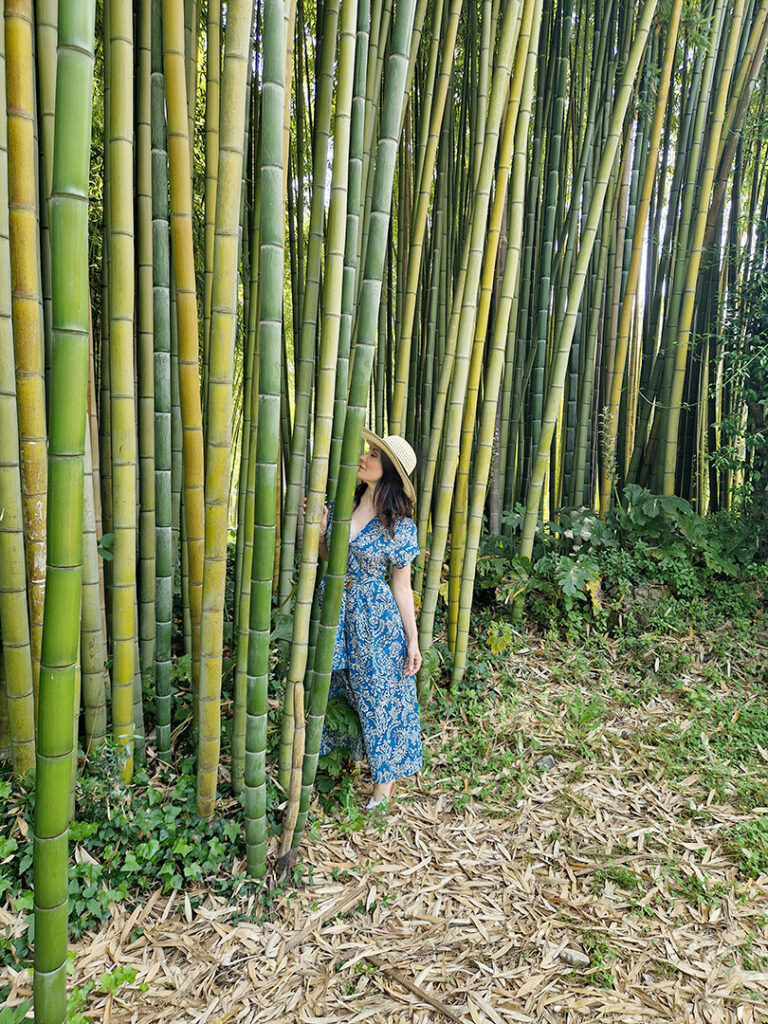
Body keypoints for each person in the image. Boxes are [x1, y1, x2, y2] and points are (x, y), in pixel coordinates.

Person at [317, 430, 423, 809]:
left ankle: (383, 790)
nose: (364, 456)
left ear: (390, 472)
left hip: (374, 619)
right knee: (334, 690)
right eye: (369, 450)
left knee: (380, 697)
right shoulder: (342, 505)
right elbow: (329, 557)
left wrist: (412, 641)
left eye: (375, 455)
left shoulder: (399, 527)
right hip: (333, 612)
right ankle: (335, 769)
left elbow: (402, 588)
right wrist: (317, 533)